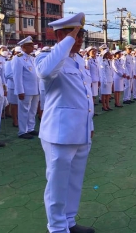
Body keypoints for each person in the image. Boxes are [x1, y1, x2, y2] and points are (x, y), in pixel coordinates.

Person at [35, 12, 95, 233]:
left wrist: (90, 127)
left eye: (81, 35)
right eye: (75, 35)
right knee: (57, 185)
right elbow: (46, 72)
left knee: (73, 182)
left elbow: (86, 96)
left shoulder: (78, 60)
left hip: (80, 133)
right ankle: (58, 228)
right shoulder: (45, 58)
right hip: (59, 135)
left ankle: (69, 221)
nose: (80, 40)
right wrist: (68, 40)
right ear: (61, 35)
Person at [13, 36, 40, 139]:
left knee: (32, 110)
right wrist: (20, 91)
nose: (32, 47)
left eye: (32, 45)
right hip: (25, 90)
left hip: (35, 89)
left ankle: (30, 128)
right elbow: (17, 76)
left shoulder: (33, 58)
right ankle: (22, 131)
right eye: (30, 45)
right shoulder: (18, 58)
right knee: (24, 111)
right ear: (23, 47)